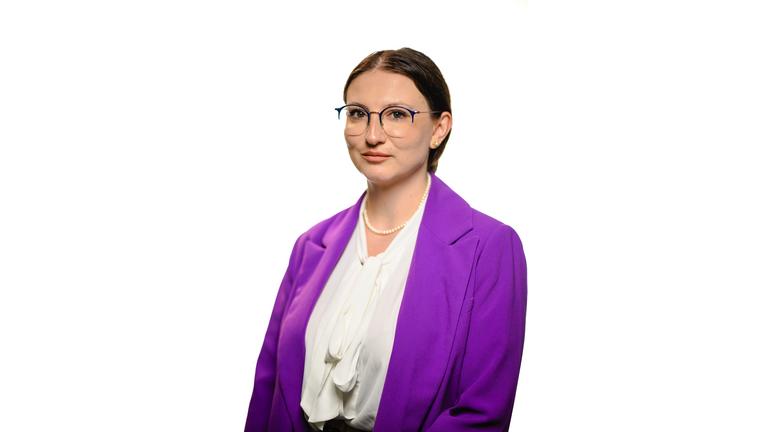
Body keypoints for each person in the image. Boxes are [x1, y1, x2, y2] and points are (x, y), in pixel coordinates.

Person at [244, 47, 527, 432]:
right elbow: (268, 388)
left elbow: (482, 411)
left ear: (439, 128)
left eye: (397, 114)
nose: (372, 135)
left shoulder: (488, 248)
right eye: (358, 113)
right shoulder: (310, 246)